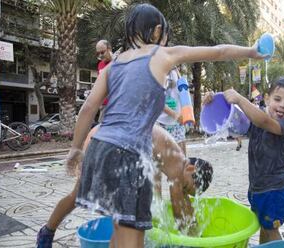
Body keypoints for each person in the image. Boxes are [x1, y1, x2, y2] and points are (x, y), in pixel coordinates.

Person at [65, 3, 267, 247]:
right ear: (158, 31)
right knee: (133, 237)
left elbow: (88, 108)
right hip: (130, 153)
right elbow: (218, 51)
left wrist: (75, 149)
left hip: (101, 148)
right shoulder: (164, 55)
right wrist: (252, 51)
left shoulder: (114, 65)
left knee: (121, 230)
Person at [36, 124, 213, 248]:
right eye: (187, 188)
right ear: (191, 168)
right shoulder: (177, 168)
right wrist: (195, 241)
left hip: (102, 135)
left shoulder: (172, 155)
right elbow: (180, 215)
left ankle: (47, 232)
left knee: (78, 195)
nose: (183, 191)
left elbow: (155, 185)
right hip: (110, 143)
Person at [203, 77, 284, 244]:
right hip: (258, 187)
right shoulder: (257, 117)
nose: (282, 105)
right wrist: (213, 102)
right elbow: (236, 124)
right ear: (267, 98)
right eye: (277, 99)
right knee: (265, 226)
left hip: (275, 190)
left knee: (271, 230)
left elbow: (263, 121)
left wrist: (240, 98)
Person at [156, 67, 187, 154]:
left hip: (177, 122)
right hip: (160, 122)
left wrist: (185, 112)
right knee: (163, 158)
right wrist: (175, 115)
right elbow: (155, 100)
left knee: (182, 158)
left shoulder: (175, 71)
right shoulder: (157, 70)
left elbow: (183, 94)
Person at [95, 40, 113, 122]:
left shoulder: (118, 61)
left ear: (109, 49)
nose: (100, 56)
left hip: (115, 104)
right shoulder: (100, 65)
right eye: (98, 53)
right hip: (103, 104)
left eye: (102, 52)